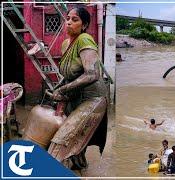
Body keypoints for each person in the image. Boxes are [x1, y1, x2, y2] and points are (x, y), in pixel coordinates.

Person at [48, 7, 109, 170]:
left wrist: (63, 90)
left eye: (75, 20)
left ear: (84, 25)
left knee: (62, 139)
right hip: (75, 97)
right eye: (67, 18)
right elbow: (69, 75)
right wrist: (59, 88)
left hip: (93, 98)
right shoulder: (66, 44)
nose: (68, 22)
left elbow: (93, 74)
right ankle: (79, 168)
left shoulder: (85, 39)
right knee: (77, 141)